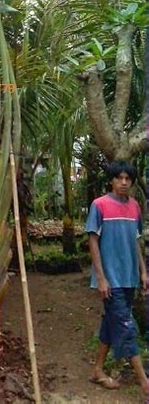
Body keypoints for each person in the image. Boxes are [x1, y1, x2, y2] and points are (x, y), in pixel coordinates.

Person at [85, 160, 148, 395]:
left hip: (129, 277)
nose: (123, 182)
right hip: (110, 280)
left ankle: (98, 370)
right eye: (119, 178)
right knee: (125, 325)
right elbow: (93, 241)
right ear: (111, 180)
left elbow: (136, 241)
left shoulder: (134, 207)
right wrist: (101, 278)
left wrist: (143, 272)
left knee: (113, 322)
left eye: (127, 179)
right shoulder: (99, 205)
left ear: (131, 182)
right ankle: (145, 383)